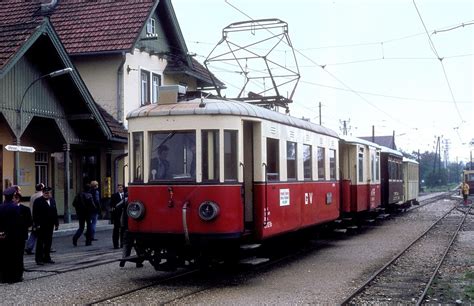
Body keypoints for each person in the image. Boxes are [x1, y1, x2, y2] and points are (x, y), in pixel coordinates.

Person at [0, 187, 24, 283]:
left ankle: (3, 277)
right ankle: (15, 277)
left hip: (2, 236)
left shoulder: (0, 207)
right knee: (15, 257)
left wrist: (1, 232)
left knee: (3, 257)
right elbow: (17, 223)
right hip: (14, 236)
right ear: (13, 196)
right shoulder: (15, 207)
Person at [33, 187, 59, 265]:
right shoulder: (38, 201)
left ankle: (47, 257)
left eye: (49, 193)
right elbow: (35, 214)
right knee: (40, 242)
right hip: (41, 225)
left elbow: (55, 212)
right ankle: (39, 259)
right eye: (46, 193)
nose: (48, 194)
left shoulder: (52, 200)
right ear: (43, 193)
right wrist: (36, 224)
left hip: (50, 224)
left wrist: (56, 223)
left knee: (48, 242)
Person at [25, 183, 44, 255]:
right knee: (43, 233)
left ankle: (29, 247)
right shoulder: (41, 196)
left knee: (34, 232)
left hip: (33, 216)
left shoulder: (33, 196)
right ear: (42, 188)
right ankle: (45, 248)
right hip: (40, 217)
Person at [110, 184, 125, 249]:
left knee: (123, 230)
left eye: (121, 187)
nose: (119, 188)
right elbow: (112, 205)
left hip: (124, 215)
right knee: (116, 230)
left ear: (123, 188)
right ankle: (115, 244)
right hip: (117, 215)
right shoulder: (114, 195)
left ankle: (122, 244)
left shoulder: (126, 195)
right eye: (118, 187)